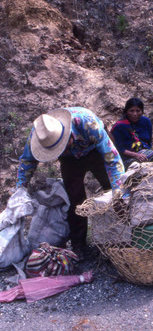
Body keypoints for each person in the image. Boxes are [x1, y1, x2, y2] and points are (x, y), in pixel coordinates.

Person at [17, 106, 125, 258]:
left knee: (114, 192)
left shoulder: (88, 124)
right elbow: (27, 162)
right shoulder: (39, 136)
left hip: (95, 151)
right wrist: (20, 189)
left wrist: (119, 191)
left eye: (61, 146)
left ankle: (119, 238)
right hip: (70, 161)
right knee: (75, 200)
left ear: (68, 135)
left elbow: (112, 160)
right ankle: (79, 245)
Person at [110, 97, 153, 170]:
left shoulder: (146, 122)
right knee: (150, 156)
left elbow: (149, 142)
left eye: (138, 111)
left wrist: (142, 153)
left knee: (150, 156)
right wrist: (135, 155)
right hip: (125, 159)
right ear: (126, 111)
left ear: (142, 111)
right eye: (131, 111)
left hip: (144, 154)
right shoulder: (119, 126)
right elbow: (119, 149)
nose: (135, 114)